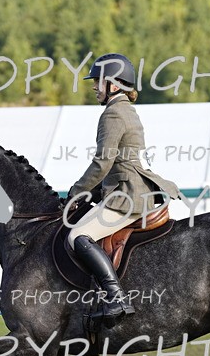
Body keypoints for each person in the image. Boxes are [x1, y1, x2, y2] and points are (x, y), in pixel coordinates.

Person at [67, 53, 181, 327]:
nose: (94, 86)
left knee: (77, 236)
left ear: (114, 85)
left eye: (98, 82)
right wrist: (94, 194)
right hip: (128, 187)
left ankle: (115, 297)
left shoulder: (114, 113)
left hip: (127, 195)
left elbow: (103, 161)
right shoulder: (127, 109)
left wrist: (76, 191)